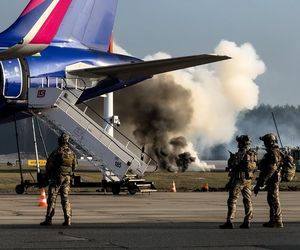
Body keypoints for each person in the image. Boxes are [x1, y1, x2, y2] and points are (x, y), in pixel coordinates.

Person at [219, 135, 257, 229]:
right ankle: (247, 221)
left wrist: (231, 158)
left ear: (241, 143)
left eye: (239, 142)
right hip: (248, 179)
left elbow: (233, 165)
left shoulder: (240, 153)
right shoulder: (252, 154)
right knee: (248, 200)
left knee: (232, 200)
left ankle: (230, 221)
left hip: (239, 179)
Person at [40, 133, 77, 226]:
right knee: (65, 198)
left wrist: (47, 175)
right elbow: (74, 166)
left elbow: (49, 165)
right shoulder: (72, 153)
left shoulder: (57, 152)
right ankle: (68, 219)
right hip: (67, 178)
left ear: (60, 140)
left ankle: (48, 219)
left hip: (57, 177)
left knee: (52, 198)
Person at [254, 133, 283, 228]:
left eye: (266, 142)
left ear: (270, 142)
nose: (265, 144)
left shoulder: (273, 153)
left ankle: (278, 220)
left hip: (273, 179)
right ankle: (273, 220)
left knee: (274, 199)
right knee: (271, 199)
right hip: (272, 179)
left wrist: (262, 181)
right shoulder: (274, 152)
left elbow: (271, 169)